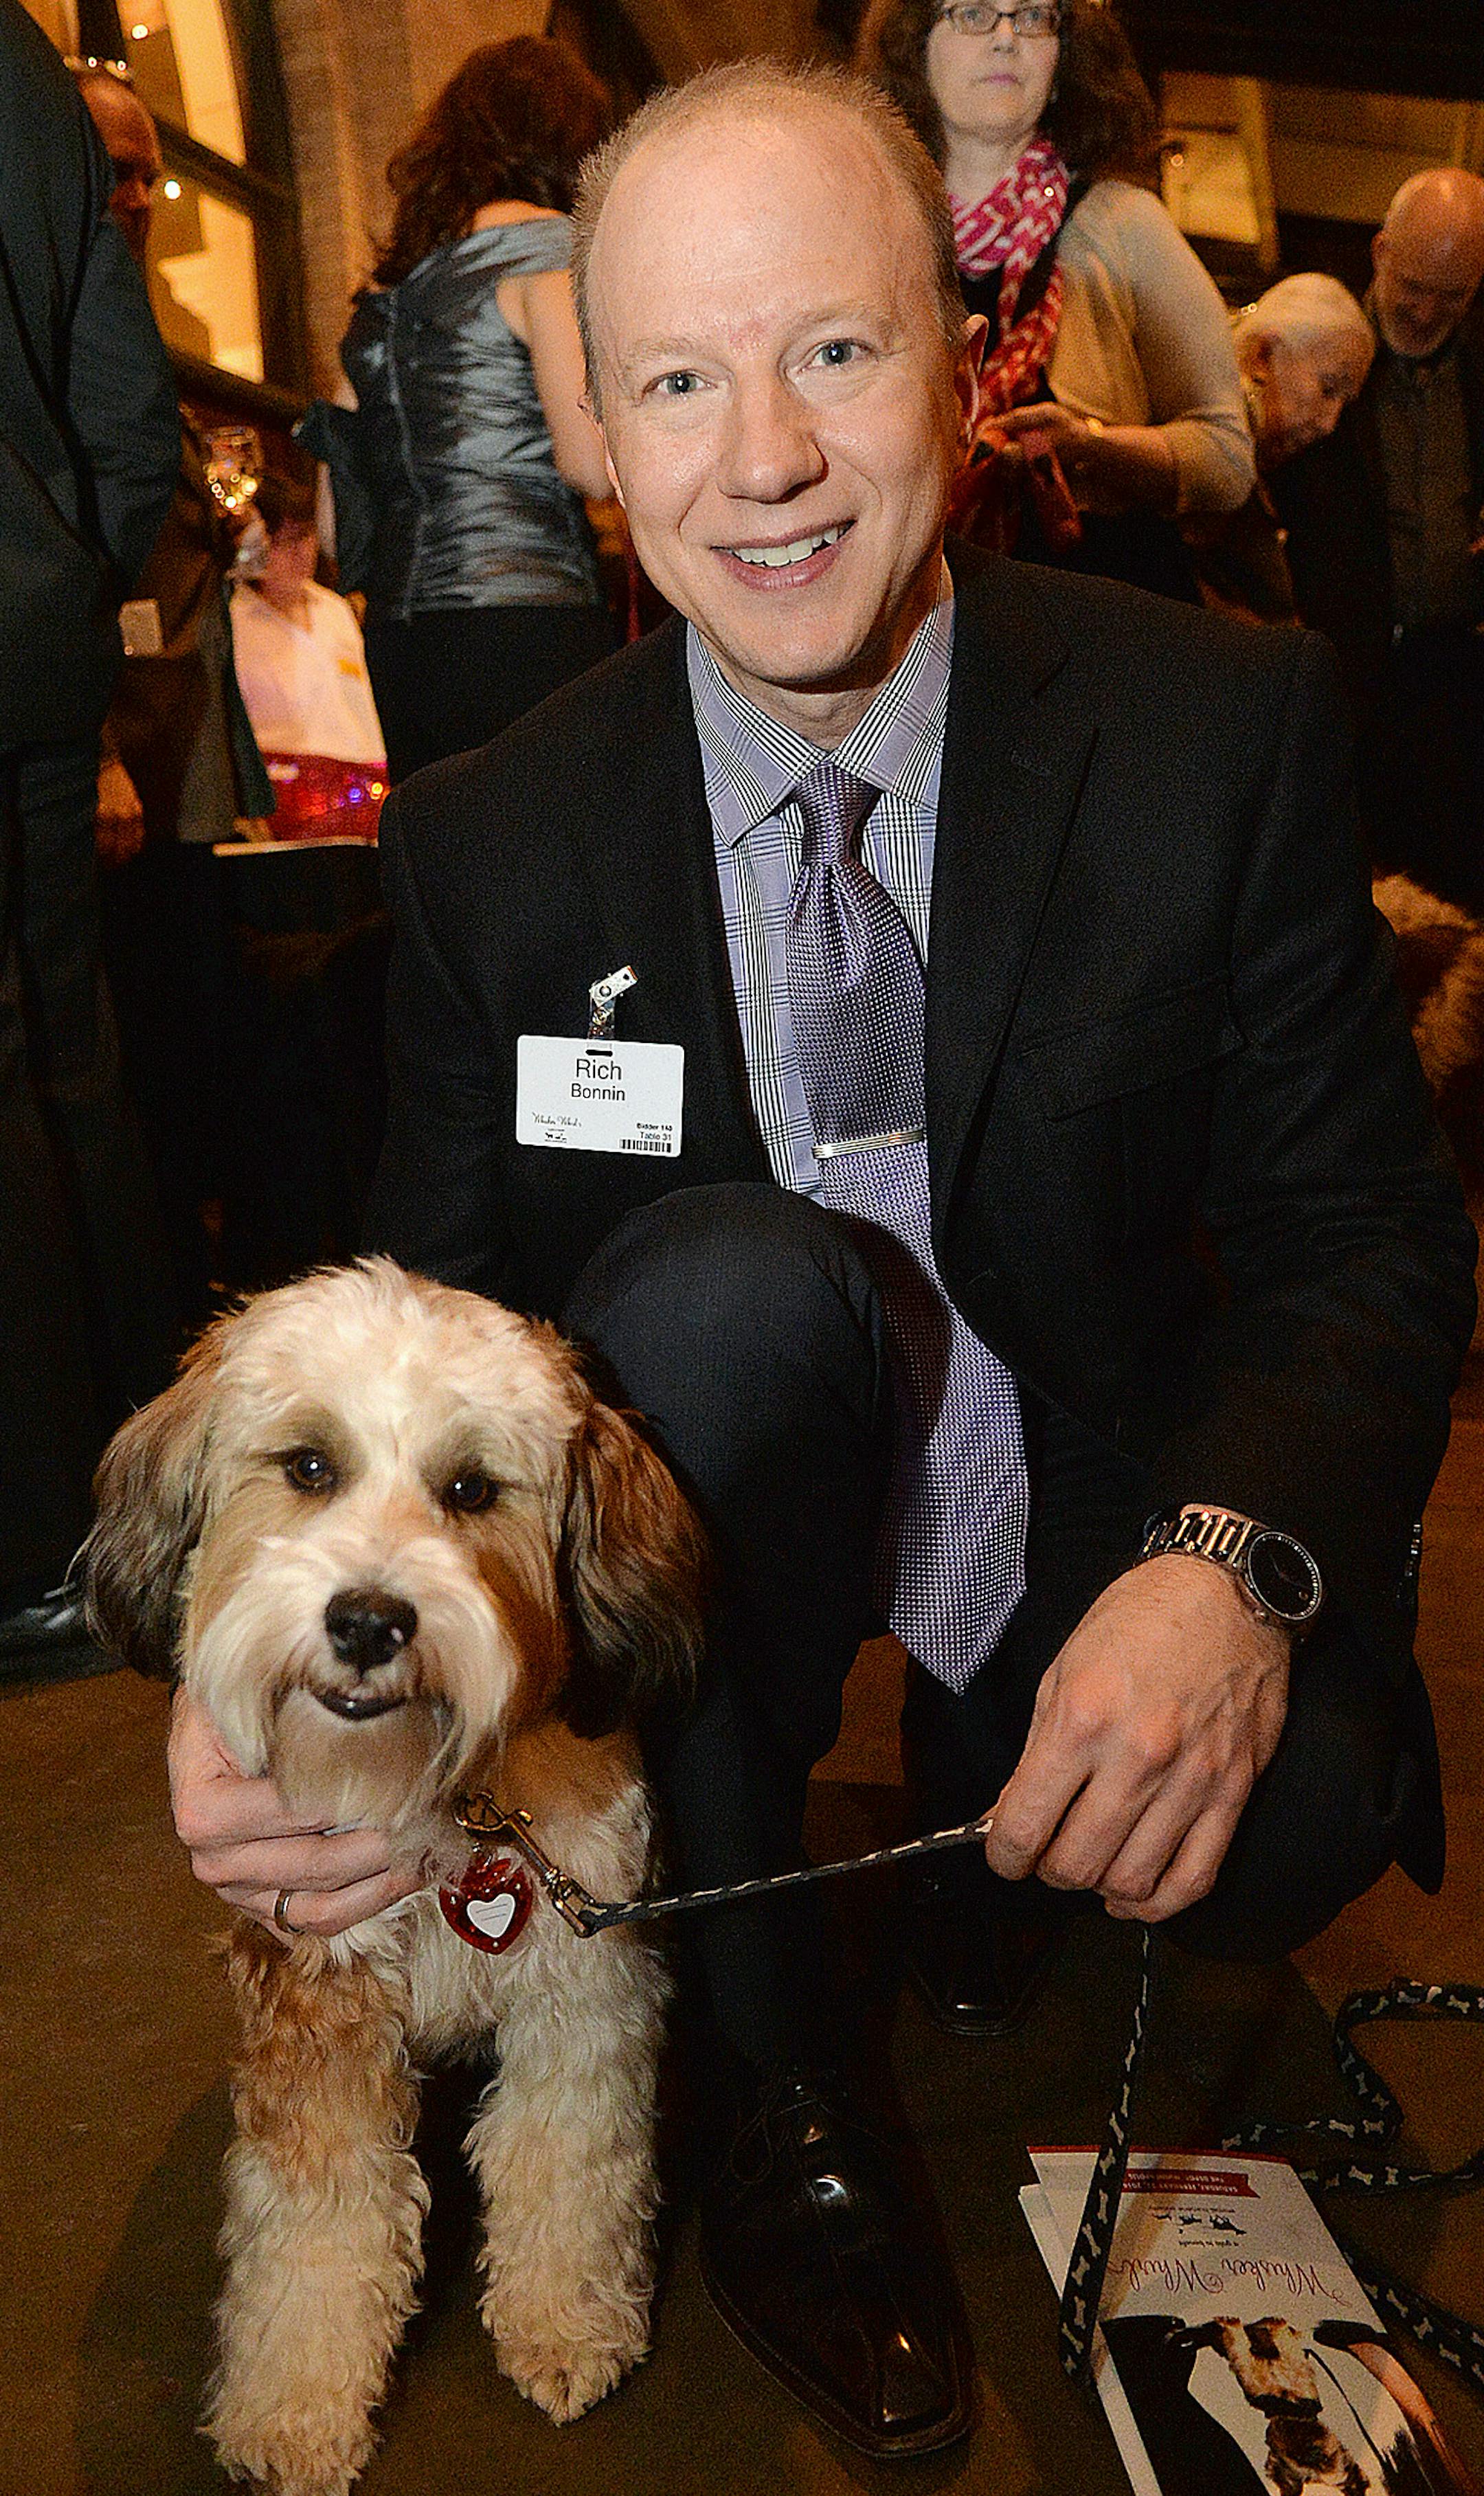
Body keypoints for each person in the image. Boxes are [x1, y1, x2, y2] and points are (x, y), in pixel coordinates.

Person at [164, 63, 1476, 2462]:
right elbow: (413, 1300)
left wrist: (1224, 1572)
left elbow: (1361, 1233)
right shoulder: (492, 838)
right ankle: (782, 2086)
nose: (758, 456)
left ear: (966, 371)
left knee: (1290, 1810)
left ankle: (993, 1825)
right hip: (713, 1537)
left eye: (834, 354)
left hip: (1075, 1483)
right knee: (720, 1288)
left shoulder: (1220, 726)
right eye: (679, 379)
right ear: (602, 442)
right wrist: (258, 1659)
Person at [0, 0, 179, 1665]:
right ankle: (133, 1528)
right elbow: (130, 410)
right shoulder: (35, 84)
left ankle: (33, 1549)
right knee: (70, 1073)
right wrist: (64, 589)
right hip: (36, 656)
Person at [76, 63, 273, 1329]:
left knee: (202, 1020)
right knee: (138, 1037)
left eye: (153, 169)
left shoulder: (144, 330)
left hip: (194, 748)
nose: (142, 195)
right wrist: (93, 750)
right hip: (115, 759)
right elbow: (60, 561)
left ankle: (198, 1275)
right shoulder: (51, 323)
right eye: (118, 170)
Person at [300, 36, 617, 783]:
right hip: (529, 614)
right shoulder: (546, 250)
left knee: (446, 869)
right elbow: (590, 465)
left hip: (402, 638)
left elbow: (332, 526)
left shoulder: (385, 300)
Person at [856, 0, 1253, 598]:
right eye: (973, 15)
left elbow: (1228, 461)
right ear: (915, 45)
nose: (1007, 38)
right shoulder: (874, 233)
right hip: (931, 615)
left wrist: (1092, 447)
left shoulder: (1123, 223)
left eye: (1035, 16)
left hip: (1103, 610)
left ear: (1064, 52)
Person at [1270, 169, 1484, 910]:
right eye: (1415, 284)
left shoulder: (1478, 361)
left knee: (1452, 891)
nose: (1427, 311)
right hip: (1345, 675)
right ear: (1381, 251)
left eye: (1453, 296)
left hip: (1456, 673)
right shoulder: (1323, 346)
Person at [1187, 273, 1375, 626]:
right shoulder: (1206, 447)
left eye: (1343, 403)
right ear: (1262, 355)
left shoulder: (1276, 474)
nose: (1329, 424)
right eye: (1328, 388)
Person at [230, 471, 387, 840]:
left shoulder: (336, 609)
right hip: (282, 789)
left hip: (365, 786)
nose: (301, 554)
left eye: (307, 537)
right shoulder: (233, 616)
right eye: (285, 542)